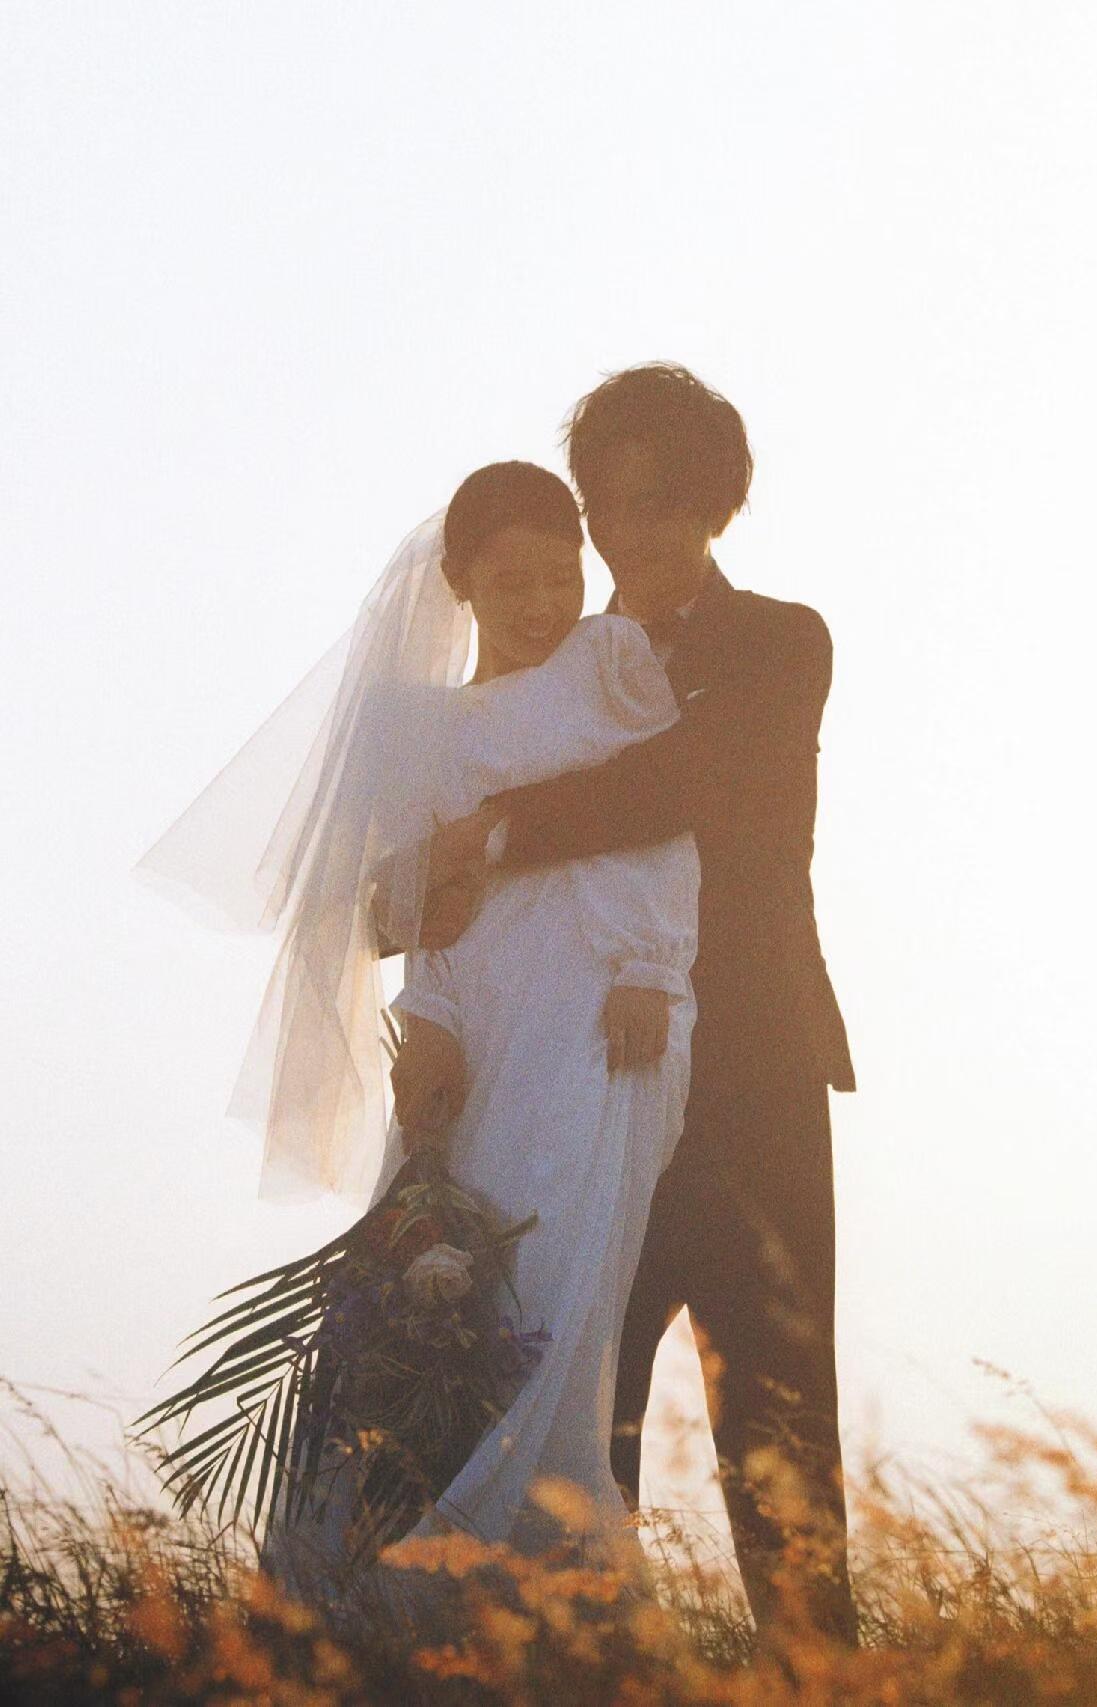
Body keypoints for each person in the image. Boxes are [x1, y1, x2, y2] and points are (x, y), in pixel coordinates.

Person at [139, 461, 700, 1592]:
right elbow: (410, 910)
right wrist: (430, 1015)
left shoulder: (609, 658)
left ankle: (537, 1561)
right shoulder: (415, 727)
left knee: (565, 1279)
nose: (542, 603)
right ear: (461, 584)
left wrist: (650, 963)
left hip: (602, 1003)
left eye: (559, 574)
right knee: (443, 1271)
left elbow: (663, 821)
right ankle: (381, 1570)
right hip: (476, 1017)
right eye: (512, 581)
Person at [405, 365, 858, 1640]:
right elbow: (433, 871)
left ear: (714, 505)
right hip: (577, 1078)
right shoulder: (550, 664)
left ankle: (821, 1677)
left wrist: (495, 830)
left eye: (661, 504)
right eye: (607, 507)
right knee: (567, 1401)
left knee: (780, 1412)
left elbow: (691, 782)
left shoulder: (781, 641)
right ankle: (587, 1655)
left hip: (754, 1076)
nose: (631, 533)